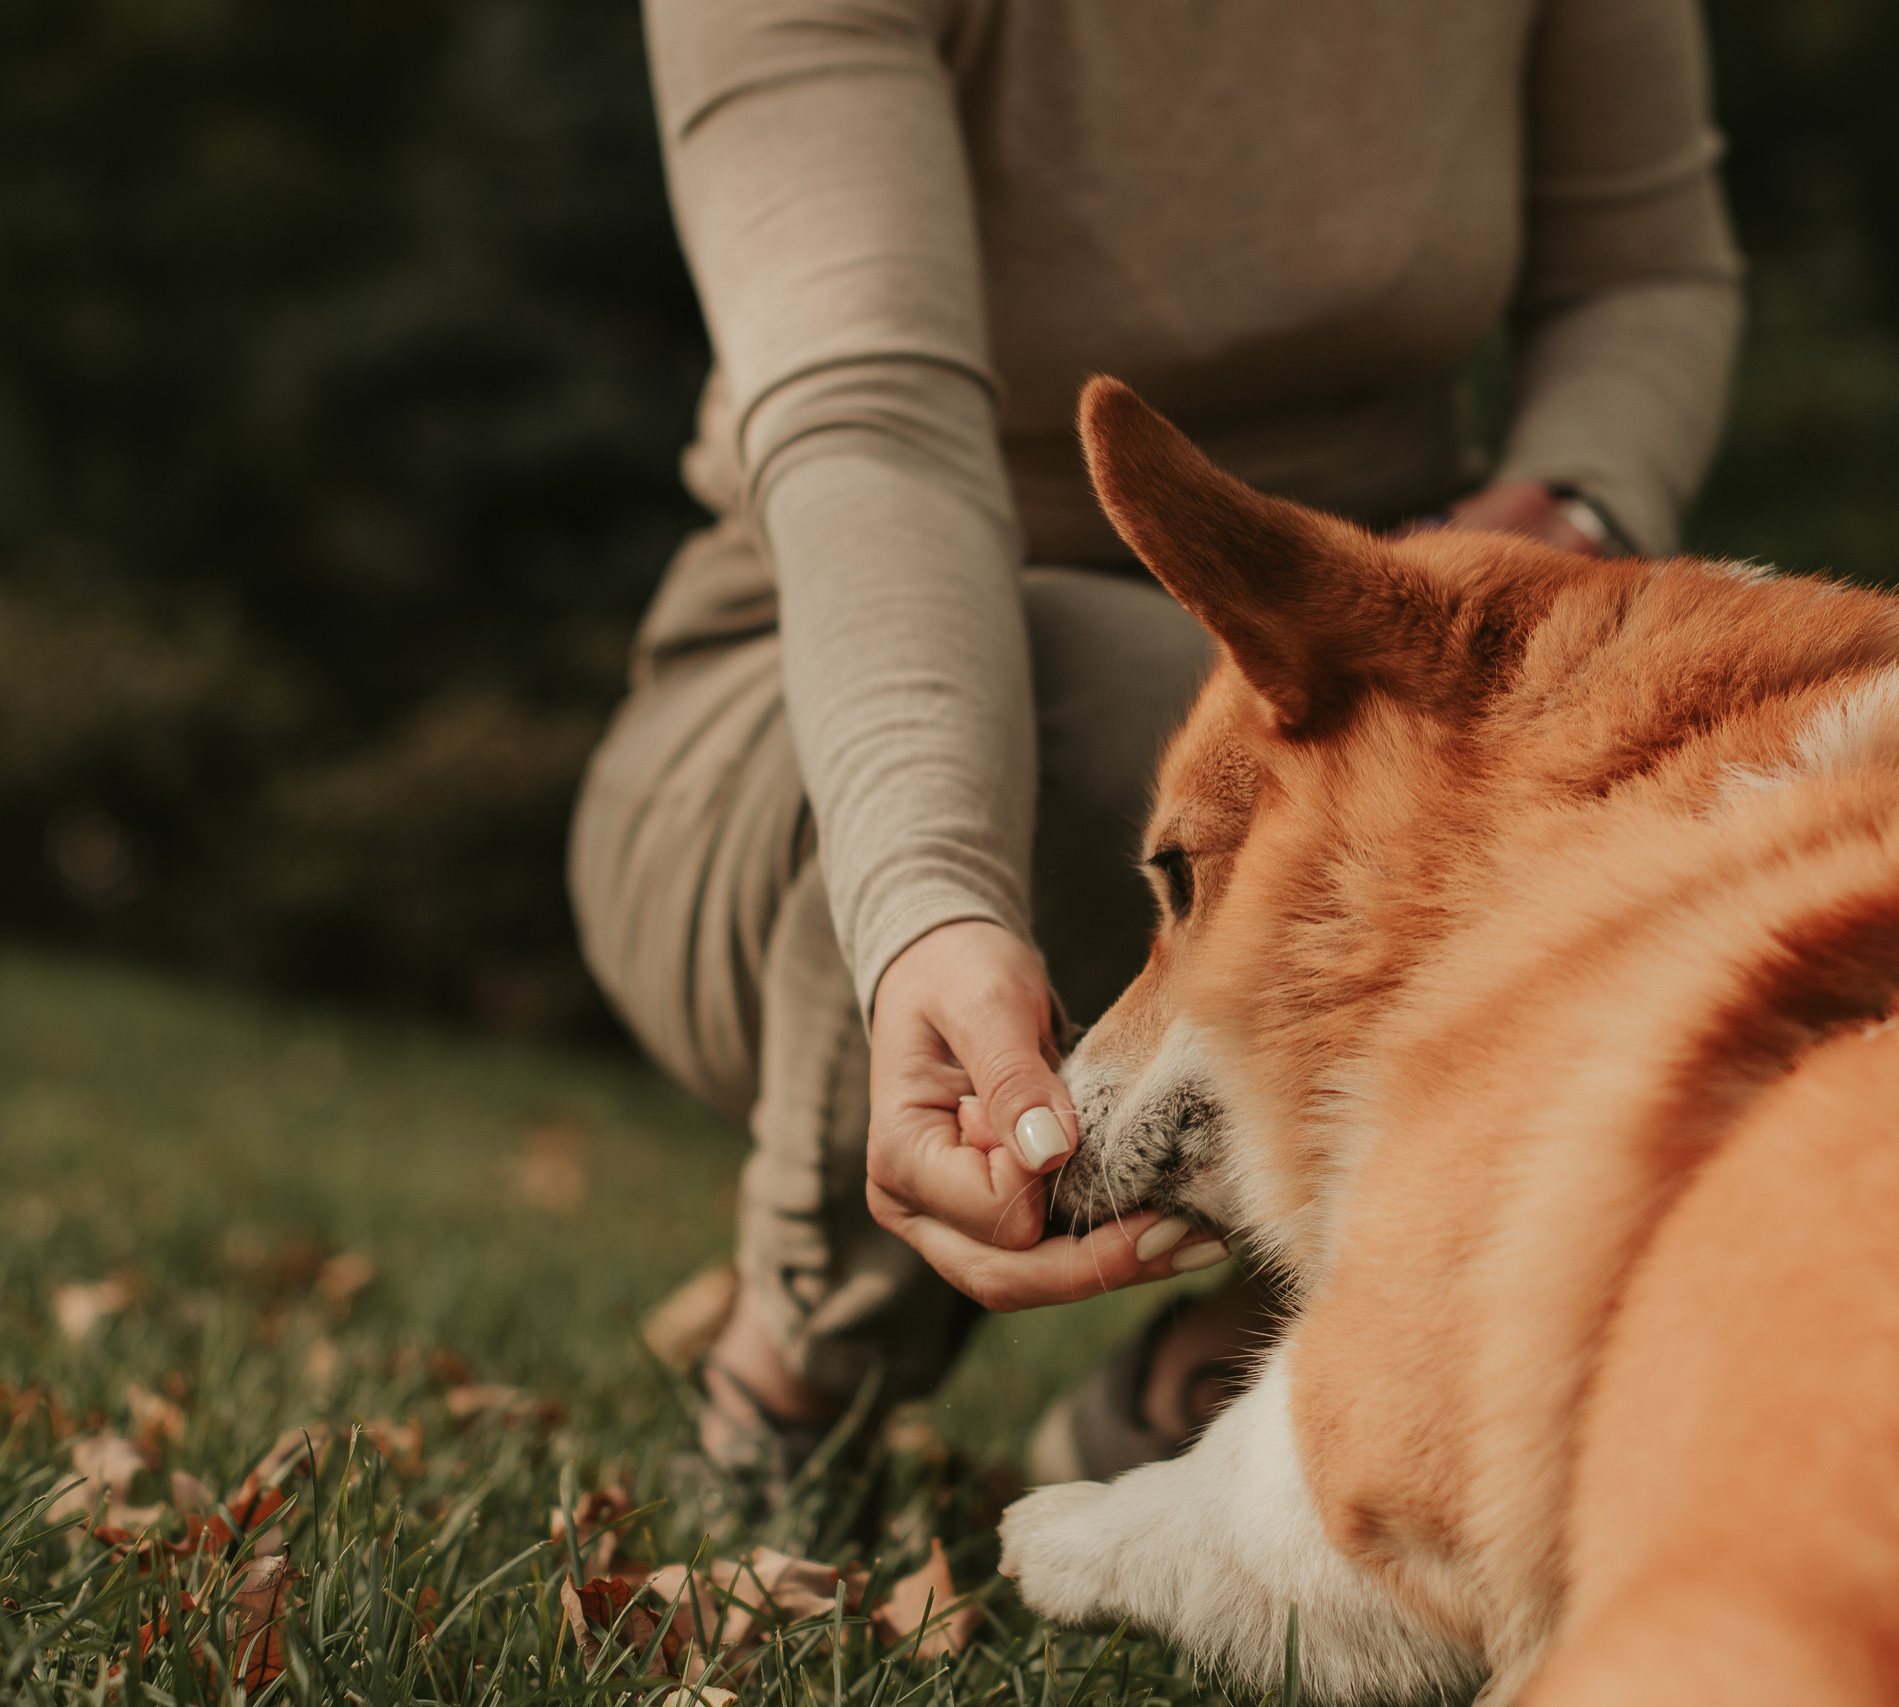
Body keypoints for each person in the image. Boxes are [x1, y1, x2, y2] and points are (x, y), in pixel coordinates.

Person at [570, 0, 1742, 1492]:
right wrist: (929, 896)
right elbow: (874, 423)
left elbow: (1649, 270)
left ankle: (1232, 1384)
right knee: (1093, 713)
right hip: (810, 711)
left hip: (1389, 668)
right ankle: (798, 1377)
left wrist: (1568, 514)